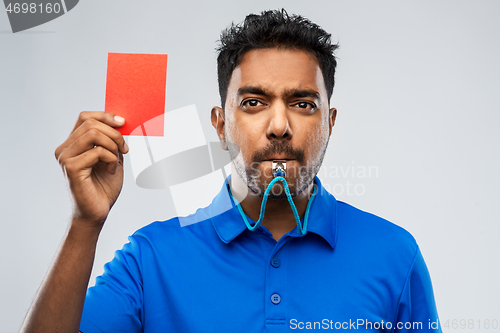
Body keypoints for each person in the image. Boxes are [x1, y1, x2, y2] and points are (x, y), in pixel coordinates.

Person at [20, 9, 442, 332]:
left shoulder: (395, 255)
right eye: (254, 103)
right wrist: (84, 223)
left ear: (330, 122)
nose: (279, 126)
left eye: (303, 103)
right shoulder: (150, 259)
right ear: (220, 125)